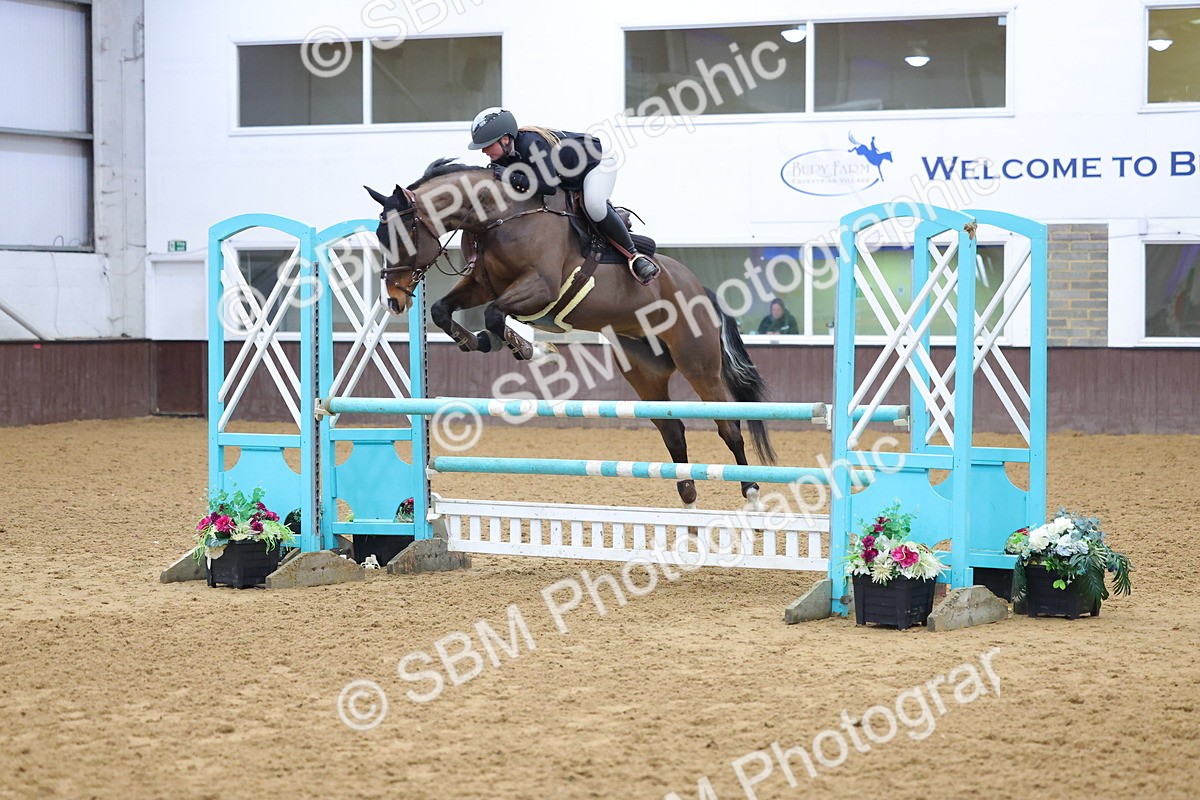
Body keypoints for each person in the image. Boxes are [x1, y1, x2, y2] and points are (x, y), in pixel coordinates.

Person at [468, 107, 660, 285]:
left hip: (597, 164)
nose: (483, 150)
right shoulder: (506, 157)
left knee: (594, 205)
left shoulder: (533, 144)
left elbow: (547, 186)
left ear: (506, 139)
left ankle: (635, 257)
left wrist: (508, 176)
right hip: (568, 176)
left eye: (487, 145)